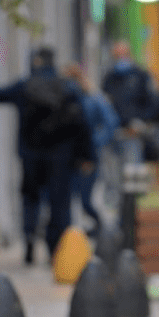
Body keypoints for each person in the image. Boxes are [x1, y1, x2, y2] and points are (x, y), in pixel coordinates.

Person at [0, 47, 95, 264]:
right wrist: (87, 156)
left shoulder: (24, 86)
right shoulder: (67, 87)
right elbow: (82, 124)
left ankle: (29, 240)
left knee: (31, 199)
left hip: (31, 155)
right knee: (59, 203)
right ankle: (56, 249)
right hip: (61, 157)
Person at [63, 63, 120, 237]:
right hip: (66, 156)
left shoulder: (93, 98)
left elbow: (111, 122)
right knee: (67, 199)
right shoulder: (64, 99)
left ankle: (101, 230)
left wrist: (95, 142)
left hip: (87, 155)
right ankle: (72, 234)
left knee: (86, 200)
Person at [101, 40, 159, 206]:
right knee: (114, 180)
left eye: (122, 54)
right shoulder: (110, 78)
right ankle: (119, 215)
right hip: (114, 135)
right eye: (116, 55)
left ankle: (133, 211)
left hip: (133, 134)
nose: (119, 58)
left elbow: (152, 104)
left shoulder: (140, 76)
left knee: (133, 177)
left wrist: (139, 123)